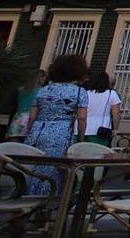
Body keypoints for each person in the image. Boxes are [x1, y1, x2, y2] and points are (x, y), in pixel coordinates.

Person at [24, 54, 88, 196]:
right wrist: (81, 139)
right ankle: (47, 202)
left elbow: (32, 116)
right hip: (61, 133)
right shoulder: (79, 92)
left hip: (38, 130)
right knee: (54, 169)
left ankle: (27, 198)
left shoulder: (43, 90)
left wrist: (30, 131)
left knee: (32, 168)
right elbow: (82, 118)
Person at [81, 71, 122, 146]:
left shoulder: (85, 93)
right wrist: (115, 129)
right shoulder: (112, 94)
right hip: (100, 131)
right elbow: (116, 113)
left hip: (81, 129)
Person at [6, 70, 45, 141]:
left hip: (18, 118)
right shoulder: (41, 91)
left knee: (13, 145)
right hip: (31, 118)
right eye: (43, 77)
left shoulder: (20, 90)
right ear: (39, 78)